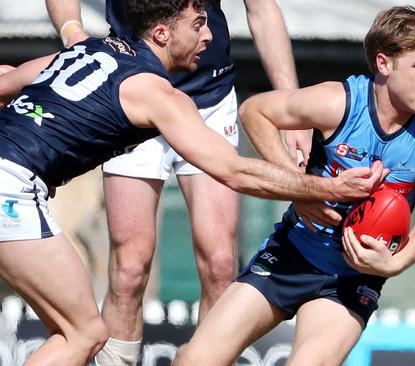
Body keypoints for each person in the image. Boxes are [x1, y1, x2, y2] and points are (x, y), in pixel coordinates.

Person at [0, 0, 386, 364]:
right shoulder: (155, 94)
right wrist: (329, 189)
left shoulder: (83, 52)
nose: (210, 36)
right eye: (198, 25)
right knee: (82, 333)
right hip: (11, 190)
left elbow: (6, 79)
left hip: (13, 181)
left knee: (67, 327)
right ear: (164, 33)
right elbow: (234, 171)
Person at [172, 5, 415, 366]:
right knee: (194, 361)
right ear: (384, 64)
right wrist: (299, 187)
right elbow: (254, 112)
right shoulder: (338, 102)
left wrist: (396, 263)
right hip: (292, 254)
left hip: (352, 279)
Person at [42, 0, 311, 364]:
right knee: (130, 268)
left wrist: (291, 109)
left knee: (219, 263)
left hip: (209, 99)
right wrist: (72, 32)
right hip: (133, 93)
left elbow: (262, 10)